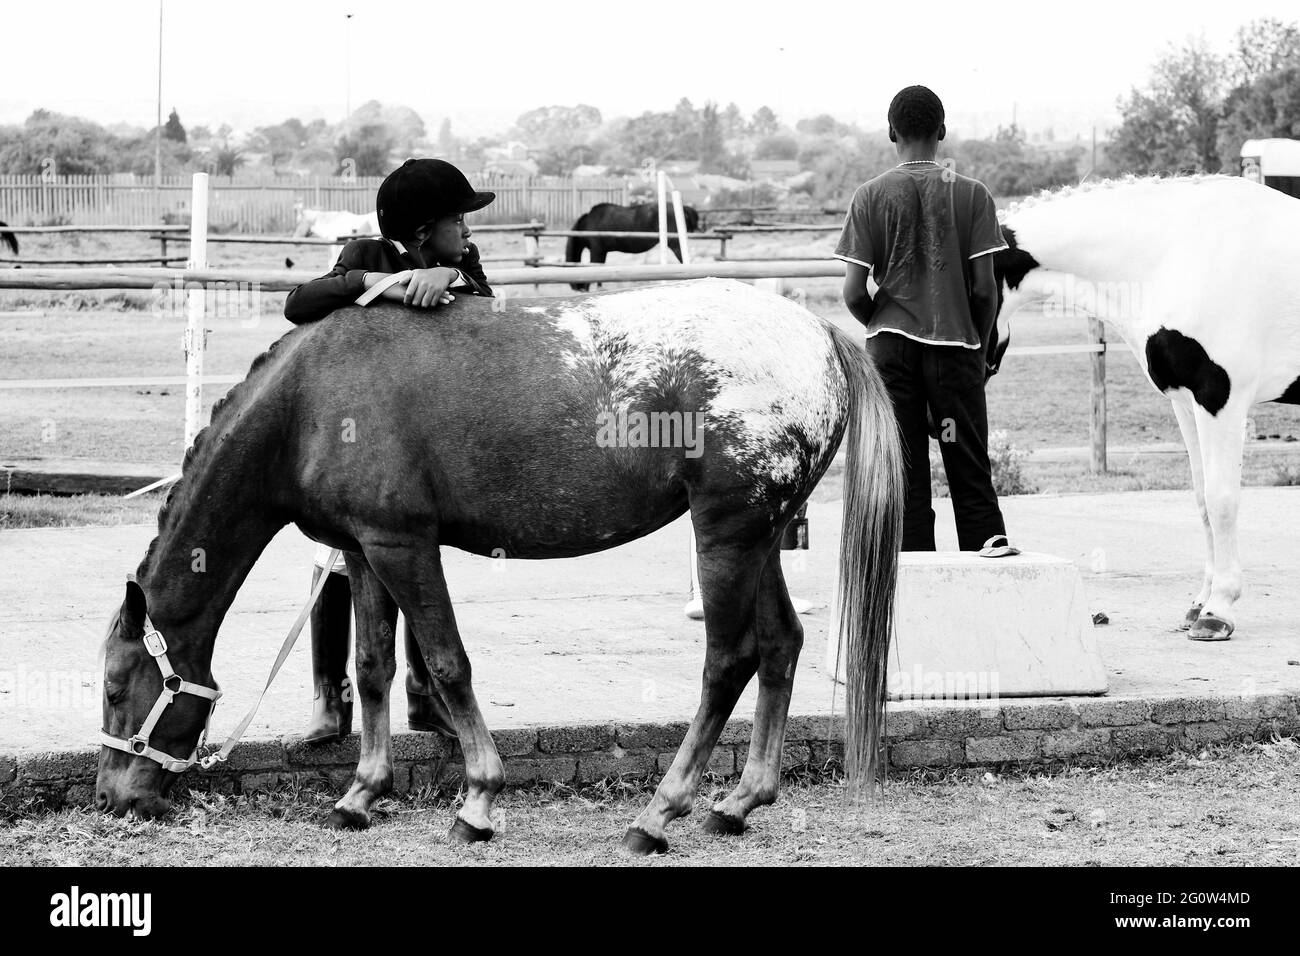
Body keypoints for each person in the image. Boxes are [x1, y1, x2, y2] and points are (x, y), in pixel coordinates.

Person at [284, 157, 496, 743]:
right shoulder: (364, 257)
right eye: (460, 220)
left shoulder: (461, 264)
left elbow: (490, 317)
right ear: (425, 229)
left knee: (411, 570)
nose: (470, 232)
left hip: (413, 448)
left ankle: (425, 697)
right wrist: (391, 286)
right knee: (334, 565)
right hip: (351, 442)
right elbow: (299, 303)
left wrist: (450, 280)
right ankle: (331, 695)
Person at [835, 85, 1015, 556]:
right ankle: (988, 576)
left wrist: (885, 321)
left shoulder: (869, 196)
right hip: (955, 352)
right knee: (967, 463)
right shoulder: (972, 194)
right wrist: (977, 344)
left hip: (892, 355)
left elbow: (853, 293)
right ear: (942, 131)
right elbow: (983, 288)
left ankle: (915, 584)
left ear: (891, 132)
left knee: (907, 470)